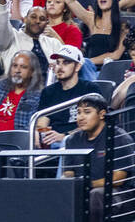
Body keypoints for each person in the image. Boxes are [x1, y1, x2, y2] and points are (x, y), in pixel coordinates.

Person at [63, 93, 135, 222]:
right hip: (85, 190)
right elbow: (68, 172)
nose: (81, 117)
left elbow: (118, 179)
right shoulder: (72, 140)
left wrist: (86, 185)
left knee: (97, 194)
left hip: (120, 194)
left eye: (87, 112)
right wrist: (66, 182)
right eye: (78, 113)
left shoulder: (119, 138)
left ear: (102, 114)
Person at [34, 45, 101, 147]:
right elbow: (42, 123)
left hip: (80, 142)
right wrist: (39, 133)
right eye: (58, 62)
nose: (60, 67)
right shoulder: (48, 92)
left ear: (77, 66)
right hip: (52, 142)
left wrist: (64, 136)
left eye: (66, 62)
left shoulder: (90, 89)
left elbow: (93, 124)